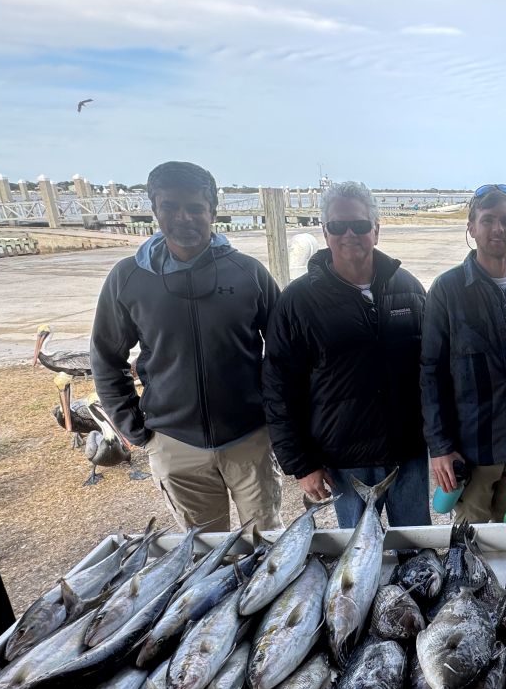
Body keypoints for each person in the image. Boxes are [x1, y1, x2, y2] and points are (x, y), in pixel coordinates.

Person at [90, 160, 283, 532]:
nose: (184, 217)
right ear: (155, 209)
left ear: (212, 211)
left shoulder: (249, 273)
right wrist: (134, 427)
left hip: (249, 437)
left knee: (266, 542)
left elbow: (284, 352)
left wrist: (275, 416)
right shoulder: (127, 278)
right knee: (204, 552)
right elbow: (105, 358)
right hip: (173, 442)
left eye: (195, 207)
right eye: (171, 206)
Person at [263, 182, 430, 528]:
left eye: (359, 224)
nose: (349, 234)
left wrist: (442, 442)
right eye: (338, 226)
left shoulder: (410, 289)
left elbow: (433, 372)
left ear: (376, 230)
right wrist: (301, 464)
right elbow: (279, 389)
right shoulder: (297, 302)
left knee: (416, 546)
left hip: (408, 453)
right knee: (356, 550)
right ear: (325, 232)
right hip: (344, 460)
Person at [421, 184, 506, 523]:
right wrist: (440, 447)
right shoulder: (447, 289)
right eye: (487, 220)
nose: (497, 229)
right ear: (471, 227)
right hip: (473, 450)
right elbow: (431, 373)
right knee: (471, 542)